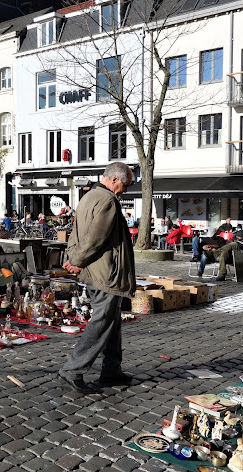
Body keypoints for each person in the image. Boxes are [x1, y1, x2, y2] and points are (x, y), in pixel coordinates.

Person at [58, 162, 135, 394]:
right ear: (114, 180)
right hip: (106, 273)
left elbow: (78, 233)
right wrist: (76, 260)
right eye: (126, 184)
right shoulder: (108, 201)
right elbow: (94, 239)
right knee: (102, 322)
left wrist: (73, 257)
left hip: (97, 270)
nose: (126, 190)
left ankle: (112, 370)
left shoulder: (88, 197)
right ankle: (73, 369)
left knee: (112, 322)